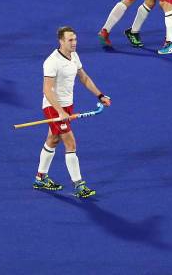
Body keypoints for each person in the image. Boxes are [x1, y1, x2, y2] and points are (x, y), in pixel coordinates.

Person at [33, 26, 112, 198]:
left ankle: (40, 177)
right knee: (70, 143)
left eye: (75, 39)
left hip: (67, 106)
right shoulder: (51, 62)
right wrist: (60, 111)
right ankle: (79, 185)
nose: (74, 43)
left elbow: (83, 77)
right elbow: (47, 90)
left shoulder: (74, 55)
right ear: (61, 41)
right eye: (70, 40)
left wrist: (100, 95)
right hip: (53, 107)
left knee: (53, 140)